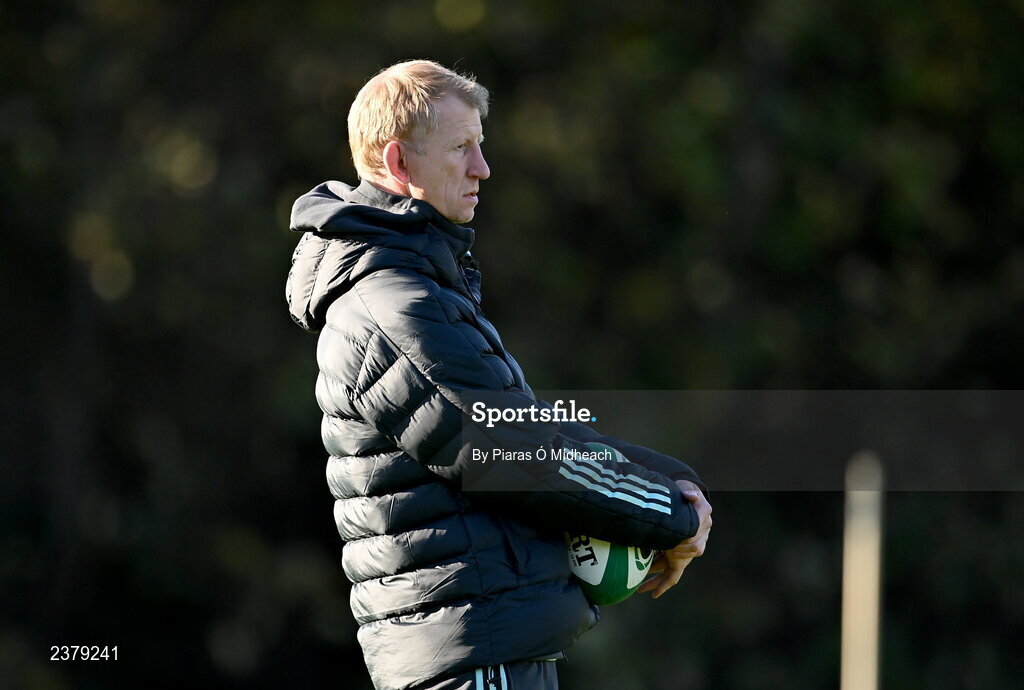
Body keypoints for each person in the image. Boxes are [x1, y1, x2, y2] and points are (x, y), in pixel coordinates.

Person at [285, 59, 712, 690]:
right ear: (400, 164)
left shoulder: (418, 288)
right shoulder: (393, 303)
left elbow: (526, 425)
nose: (482, 168)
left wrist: (669, 480)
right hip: (471, 658)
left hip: (485, 648)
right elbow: (510, 453)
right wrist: (665, 514)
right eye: (462, 148)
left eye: (480, 145)